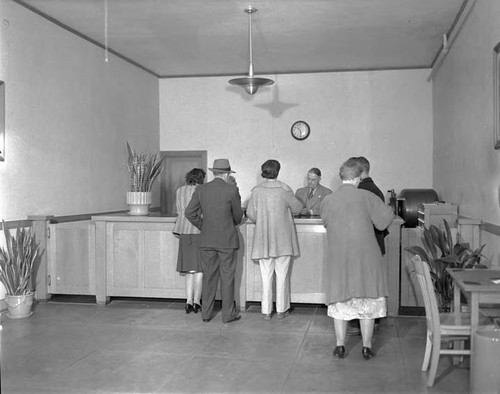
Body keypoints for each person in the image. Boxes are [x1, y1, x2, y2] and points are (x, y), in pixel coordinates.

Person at [320, 157, 394, 360]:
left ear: (342, 177)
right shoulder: (366, 196)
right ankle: (367, 347)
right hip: (366, 258)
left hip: (339, 258)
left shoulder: (328, 199)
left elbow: (325, 221)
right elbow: (383, 221)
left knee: (340, 303)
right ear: (358, 177)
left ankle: (340, 345)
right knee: (368, 302)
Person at [185, 158, 244, 323]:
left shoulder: (202, 189)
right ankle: (228, 315)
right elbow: (238, 217)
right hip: (227, 240)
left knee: (208, 277)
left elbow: (189, 213)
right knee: (227, 278)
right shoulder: (231, 190)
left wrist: (203, 226)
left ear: (213, 172)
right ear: (227, 174)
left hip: (207, 240)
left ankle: (206, 314)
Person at [246, 160, 303, 320]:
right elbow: (298, 208)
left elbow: (250, 213)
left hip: (264, 239)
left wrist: (262, 221)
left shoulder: (256, 191)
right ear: (278, 171)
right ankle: (281, 310)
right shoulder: (284, 189)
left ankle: (265, 311)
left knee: (266, 276)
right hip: (283, 239)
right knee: (282, 275)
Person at [347, 156, 389, 335]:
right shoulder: (375, 189)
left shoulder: (361, 190)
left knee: (361, 286)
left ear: (359, 171)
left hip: (363, 245)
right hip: (375, 243)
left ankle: (358, 324)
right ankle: (373, 321)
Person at [172, 168, 206, 314]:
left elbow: (179, 211)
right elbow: (204, 212)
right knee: (199, 269)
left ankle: (188, 301)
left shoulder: (180, 190)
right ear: (201, 178)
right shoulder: (203, 190)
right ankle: (197, 302)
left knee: (188, 270)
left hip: (183, 232)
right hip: (199, 231)